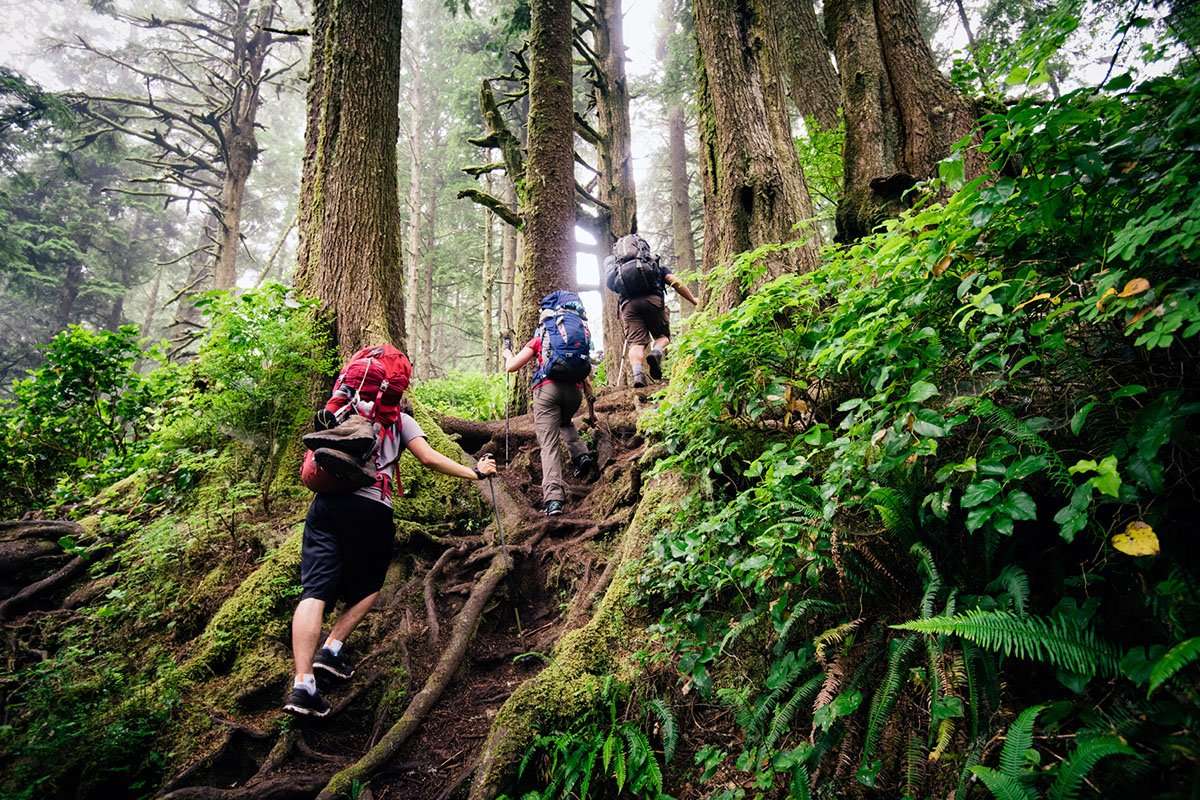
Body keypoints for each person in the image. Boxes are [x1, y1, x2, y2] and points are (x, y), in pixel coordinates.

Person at [284, 399, 497, 718]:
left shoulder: (345, 409)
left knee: (313, 592)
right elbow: (428, 458)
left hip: (325, 505)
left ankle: (303, 684)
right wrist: (475, 472)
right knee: (369, 588)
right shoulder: (400, 419)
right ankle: (331, 649)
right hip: (371, 509)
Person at [503, 291, 595, 517]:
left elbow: (512, 367)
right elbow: (587, 375)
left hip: (547, 391)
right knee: (565, 421)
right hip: (574, 393)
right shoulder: (580, 334)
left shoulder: (543, 335)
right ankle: (581, 455)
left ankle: (554, 499)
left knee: (549, 445)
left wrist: (507, 353)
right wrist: (591, 409)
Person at [604, 234, 699, 387]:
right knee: (663, 337)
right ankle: (657, 352)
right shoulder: (653, 264)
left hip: (629, 306)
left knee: (636, 343)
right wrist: (693, 299)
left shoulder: (619, 270)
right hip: (653, 301)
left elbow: (612, 285)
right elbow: (675, 282)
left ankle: (638, 375)